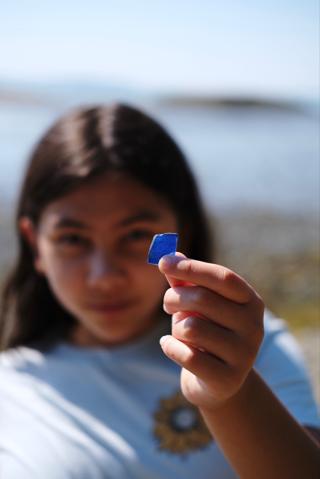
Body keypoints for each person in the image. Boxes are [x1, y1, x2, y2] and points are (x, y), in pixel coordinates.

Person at [0, 104, 319, 479]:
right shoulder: (13, 383)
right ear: (35, 244)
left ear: (180, 230)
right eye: (72, 239)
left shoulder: (246, 345)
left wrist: (229, 395)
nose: (104, 277)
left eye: (135, 235)